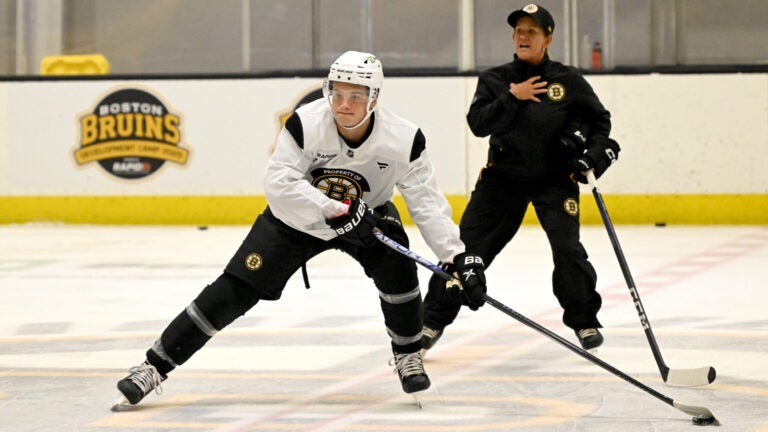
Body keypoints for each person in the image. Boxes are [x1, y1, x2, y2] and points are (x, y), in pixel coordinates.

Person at [112, 51, 487, 409]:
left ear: (374, 99)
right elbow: (278, 181)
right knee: (235, 288)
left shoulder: (404, 139)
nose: (343, 104)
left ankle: (408, 357)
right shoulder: (306, 123)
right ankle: (154, 366)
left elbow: (426, 203)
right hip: (297, 219)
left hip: (366, 218)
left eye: (355, 96)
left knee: (400, 275)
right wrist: (331, 208)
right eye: (337, 93)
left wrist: (455, 257)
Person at [422, 4, 620, 354]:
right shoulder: (495, 80)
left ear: (548, 38)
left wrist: (592, 155)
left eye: (532, 31)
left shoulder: (568, 80)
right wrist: (512, 97)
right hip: (502, 180)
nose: (523, 36)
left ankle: (584, 320)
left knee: (568, 248)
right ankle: (430, 322)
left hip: (556, 179)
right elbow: (478, 124)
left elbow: (600, 123)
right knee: (465, 251)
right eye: (518, 31)